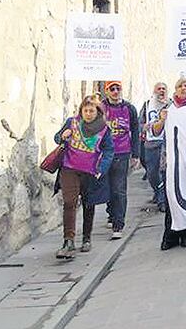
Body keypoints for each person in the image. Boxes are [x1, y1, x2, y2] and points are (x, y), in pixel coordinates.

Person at [53, 95, 114, 258]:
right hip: (69, 168)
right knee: (69, 202)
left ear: (97, 112)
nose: (88, 113)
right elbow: (57, 138)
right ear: (81, 111)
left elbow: (109, 150)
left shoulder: (104, 129)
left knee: (89, 203)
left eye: (91, 111)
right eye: (85, 110)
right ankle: (68, 241)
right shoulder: (72, 123)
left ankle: (86, 238)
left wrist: (102, 168)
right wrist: (62, 135)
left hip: (90, 171)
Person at [154, 76, 186, 250]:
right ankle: (171, 234)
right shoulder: (168, 108)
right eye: (180, 86)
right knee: (171, 199)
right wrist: (161, 120)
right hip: (170, 162)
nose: (183, 88)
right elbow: (155, 130)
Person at [102, 81, 140, 240]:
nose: (116, 91)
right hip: (103, 153)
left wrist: (136, 154)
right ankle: (111, 213)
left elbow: (135, 130)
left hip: (122, 152)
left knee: (119, 189)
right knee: (106, 187)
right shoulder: (101, 107)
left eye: (118, 88)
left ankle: (119, 224)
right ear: (107, 91)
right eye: (112, 89)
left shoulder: (129, 109)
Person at [139, 82, 170, 212]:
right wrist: (143, 127)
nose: (161, 91)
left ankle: (163, 199)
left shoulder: (171, 104)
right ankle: (157, 192)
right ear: (154, 91)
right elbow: (140, 121)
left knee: (164, 172)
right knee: (152, 174)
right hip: (151, 143)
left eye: (164, 88)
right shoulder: (147, 105)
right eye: (159, 89)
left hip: (166, 143)